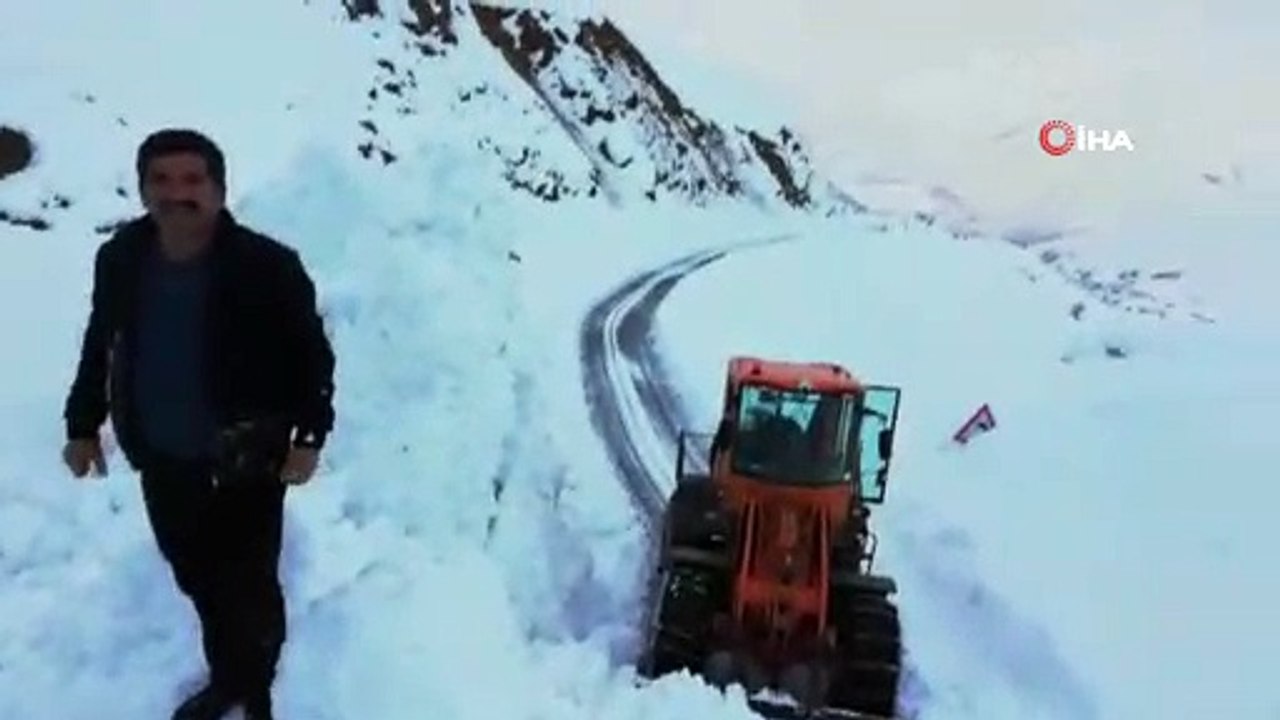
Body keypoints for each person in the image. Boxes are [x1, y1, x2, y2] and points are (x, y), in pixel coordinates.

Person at [60, 128, 336, 720]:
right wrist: (82, 422)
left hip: (245, 456)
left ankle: (255, 686)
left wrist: (309, 437)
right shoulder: (122, 259)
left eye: (191, 180)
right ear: (141, 189)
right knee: (195, 573)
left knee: (251, 583)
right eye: (160, 180)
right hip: (160, 453)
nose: (175, 193)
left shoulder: (267, 266)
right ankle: (228, 673)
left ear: (218, 188)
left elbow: (312, 357)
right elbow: (100, 342)